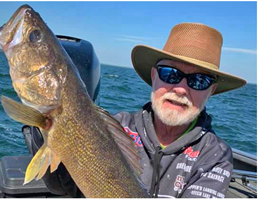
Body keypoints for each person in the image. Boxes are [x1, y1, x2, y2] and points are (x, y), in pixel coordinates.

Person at [23, 22, 246, 198]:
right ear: (154, 77)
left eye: (198, 81)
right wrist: (42, 126)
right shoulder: (116, 126)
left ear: (211, 91)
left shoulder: (214, 155)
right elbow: (64, 186)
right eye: (170, 73)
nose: (180, 89)